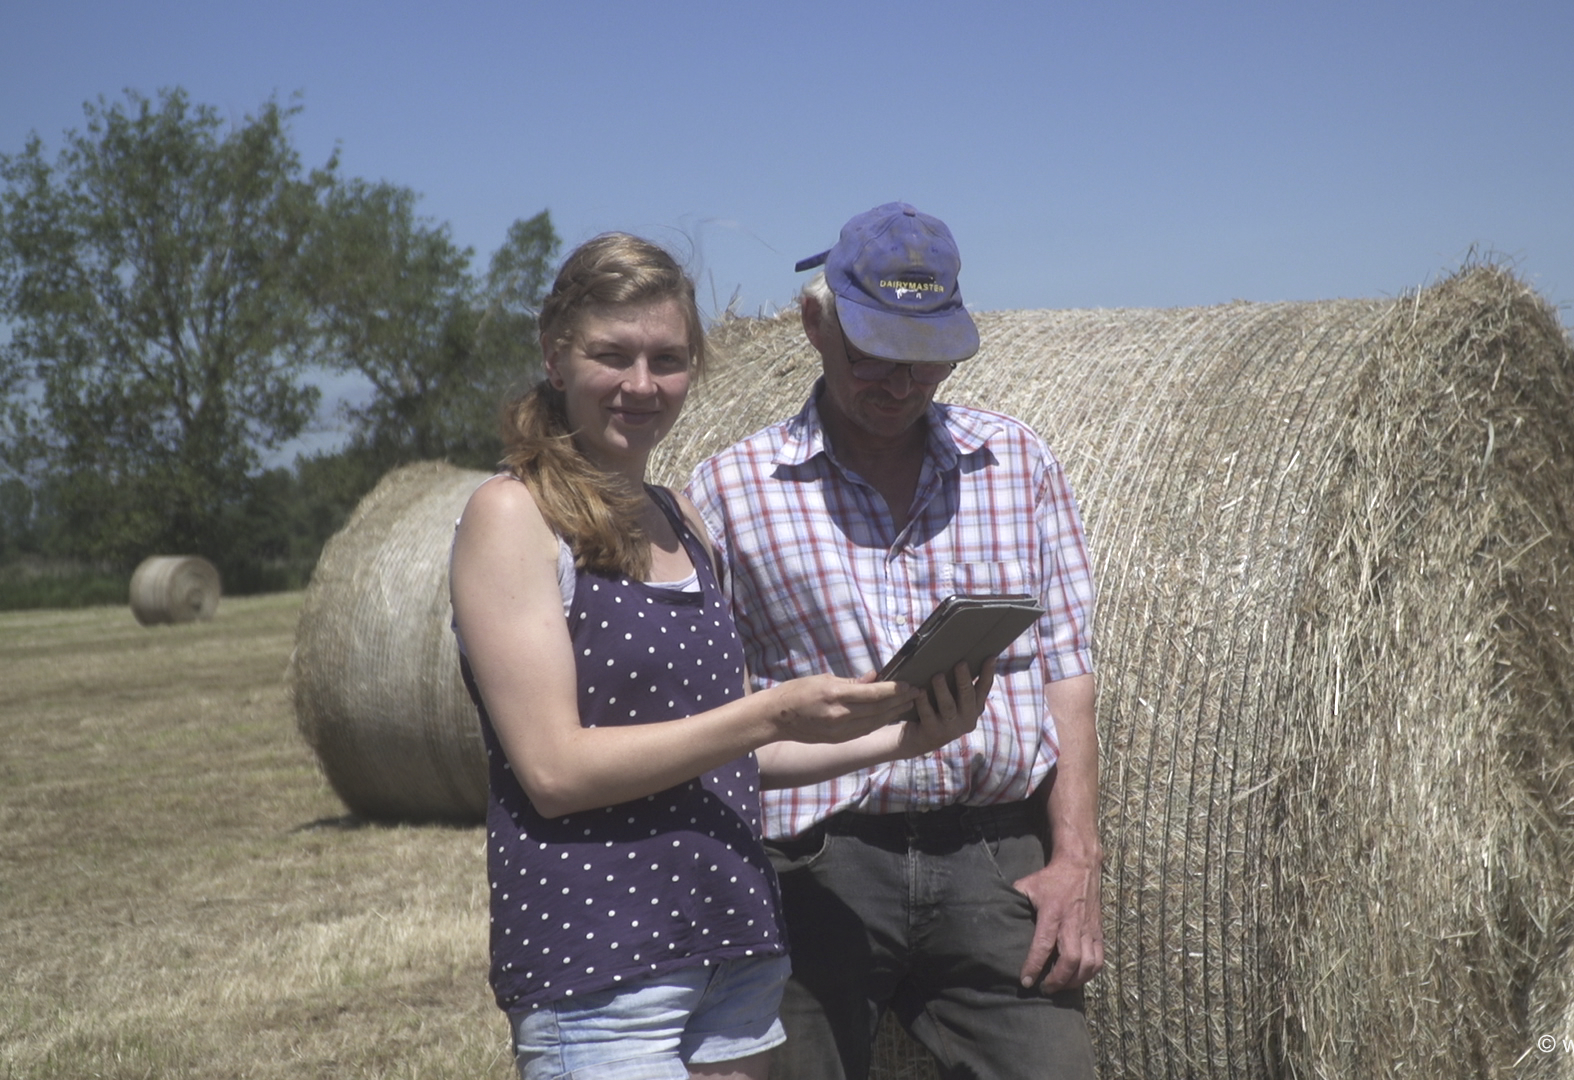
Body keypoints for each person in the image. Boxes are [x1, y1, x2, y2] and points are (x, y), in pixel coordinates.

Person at [450, 232, 991, 1080]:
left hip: (734, 954)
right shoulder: (513, 517)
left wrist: (904, 736)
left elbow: (738, 754)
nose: (641, 384)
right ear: (556, 360)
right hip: (606, 967)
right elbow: (554, 771)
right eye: (612, 356)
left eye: (667, 358)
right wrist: (769, 708)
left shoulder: (683, 519)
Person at [687, 203, 1104, 1080]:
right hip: (813, 865)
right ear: (816, 323)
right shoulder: (731, 490)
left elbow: (1068, 669)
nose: (900, 384)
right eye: (873, 353)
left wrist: (1075, 858)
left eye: (925, 360)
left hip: (995, 859)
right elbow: (708, 721)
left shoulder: (1017, 463)